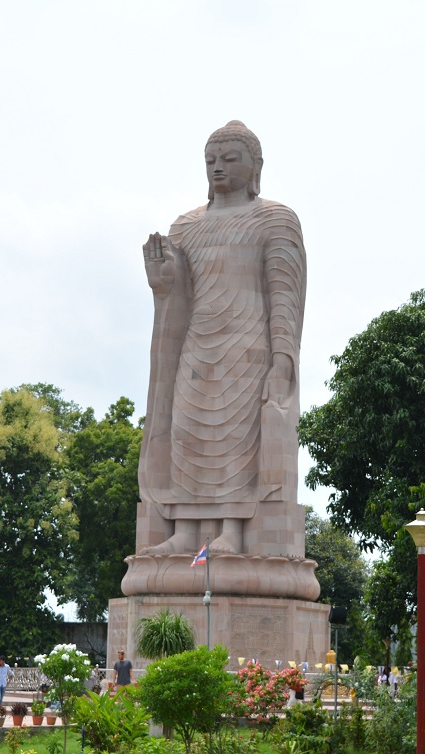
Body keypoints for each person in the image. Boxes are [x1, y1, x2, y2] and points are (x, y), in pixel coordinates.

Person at [137, 120, 306, 557]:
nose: (218, 168)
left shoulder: (275, 219)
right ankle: (187, 534)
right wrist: (163, 280)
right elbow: (177, 294)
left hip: (248, 346)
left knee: (236, 443)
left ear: (255, 166)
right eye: (211, 161)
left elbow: (285, 294)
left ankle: (232, 528)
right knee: (188, 435)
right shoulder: (186, 225)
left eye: (230, 160)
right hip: (197, 345)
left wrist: (283, 361)